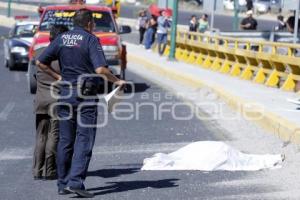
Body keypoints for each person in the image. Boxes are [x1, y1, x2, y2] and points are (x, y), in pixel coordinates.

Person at [36, 9, 126, 198]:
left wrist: (58, 77)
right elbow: (101, 68)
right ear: (89, 24)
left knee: (66, 140)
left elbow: (40, 62)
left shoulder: (62, 39)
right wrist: (116, 80)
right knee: (84, 139)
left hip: (65, 94)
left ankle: (62, 183)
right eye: (92, 23)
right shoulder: (91, 39)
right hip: (85, 96)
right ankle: (76, 182)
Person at [33, 25, 69, 181]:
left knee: (40, 136)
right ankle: (50, 170)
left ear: (50, 38)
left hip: (40, 100)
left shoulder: (38, 54)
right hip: (56, 101)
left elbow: (35, 77)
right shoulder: (65, 58)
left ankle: (37, 170)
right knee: (54, 136)